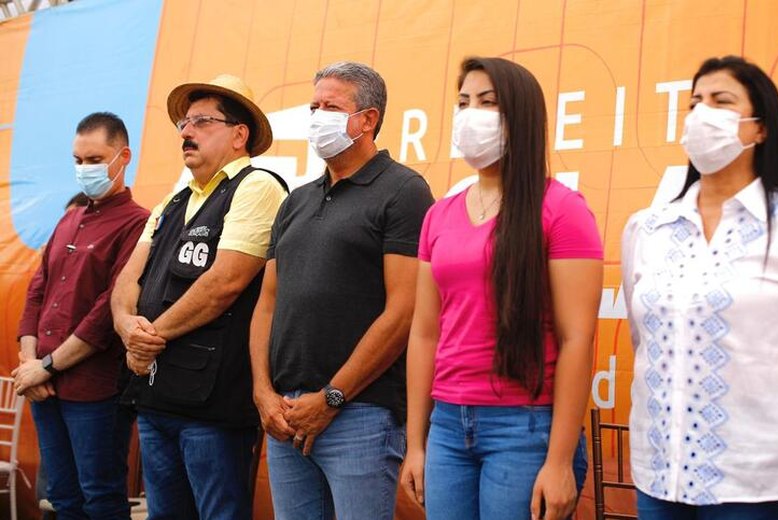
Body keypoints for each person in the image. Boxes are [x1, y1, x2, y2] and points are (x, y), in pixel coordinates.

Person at [622, 55, 778, 519]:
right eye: (695, 102)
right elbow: (644, 340)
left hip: (762, 479)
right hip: (661, 473)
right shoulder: (649, 228)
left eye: (721, 101)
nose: (703, 113)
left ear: (761, 127)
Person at [400, 57, 604, 520]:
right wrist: (416, 442)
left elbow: (577, 340)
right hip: (448, 424)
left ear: (521, 116)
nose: (471, 113)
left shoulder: (561, 209)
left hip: (526, 426)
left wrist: (558, 461)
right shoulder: (440, 214)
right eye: (464, 102)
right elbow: (424, 331)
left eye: (487, 103)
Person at [249, 61, 434, 520]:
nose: (317, 117)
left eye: (330, 106)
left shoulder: (403, 191)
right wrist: (263, 394)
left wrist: (333, 396)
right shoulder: (296, 199)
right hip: (285, 413)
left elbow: (404, 310)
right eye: (313, 106)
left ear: (368, 119)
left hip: (360, 415)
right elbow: (267, 302)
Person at [110, 74, 286, 519]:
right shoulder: (173, 199)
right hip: (155, 395)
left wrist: (148, 337)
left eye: (202, 121)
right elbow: (127, 280)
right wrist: (127, 326)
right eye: (184, 123)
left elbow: (224, 283)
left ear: (239, 134)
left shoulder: (257, 186)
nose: (186, 132)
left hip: (213, 406)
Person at [15, 112, 149, 519]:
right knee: (61, 497)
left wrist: (47, 366)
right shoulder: (69, 217)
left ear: (123, 156)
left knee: (101, 496)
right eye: (78, 161)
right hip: (44, 387)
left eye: (94, 160)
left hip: (95, 393)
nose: (84, 169)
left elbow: (108, 311)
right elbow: (38, 289)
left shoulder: (138, 224)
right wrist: (29, 363)